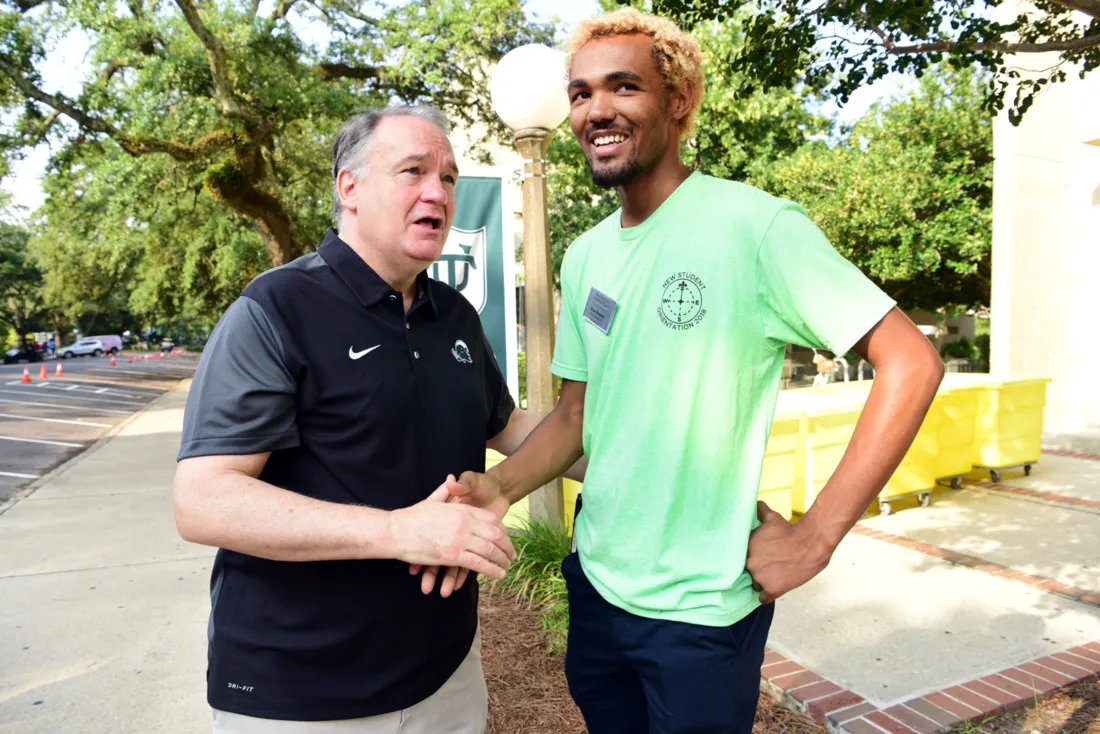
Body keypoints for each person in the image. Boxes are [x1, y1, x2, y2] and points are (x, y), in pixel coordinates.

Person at [451, 9, 945, 734]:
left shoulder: (756, 226)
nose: (597, 110)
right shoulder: (586, 255)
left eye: (624, 87)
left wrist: (816, 537)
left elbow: (911, 362)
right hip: (596, 587)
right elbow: (576, 418)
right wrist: (499, 485)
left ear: (678, 101)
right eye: (581, 93)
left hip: (700, 612)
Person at [174, 105, 558, 733]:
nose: (438, 191)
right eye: (414, 171)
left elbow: (508, 425)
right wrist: (396, 531)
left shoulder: (455, 315)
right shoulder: (276, 308)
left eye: (450, 178)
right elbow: (203, 501)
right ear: (348, 187)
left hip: (447, 676)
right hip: (299, 691)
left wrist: (623, 453)